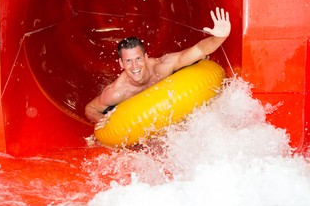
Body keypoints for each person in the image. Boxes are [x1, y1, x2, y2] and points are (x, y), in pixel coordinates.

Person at [85, 7, 231, 129]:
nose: (135, 66)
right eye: (128, 61)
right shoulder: (117, 92)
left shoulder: (161, 67)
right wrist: (101, 120)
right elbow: (90, 108)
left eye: (138, 59)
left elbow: (199, 50)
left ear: (146, 58)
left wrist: (220, 37)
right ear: (121, 64)